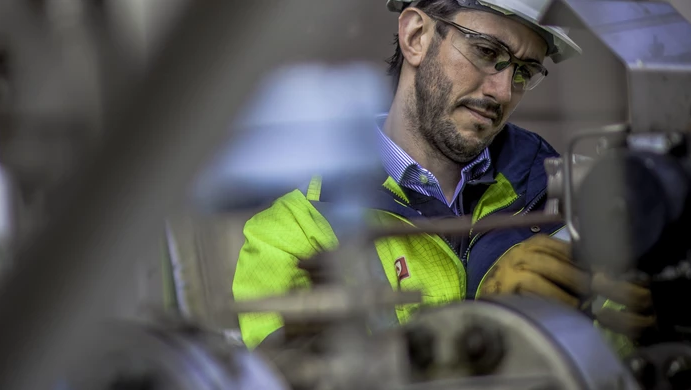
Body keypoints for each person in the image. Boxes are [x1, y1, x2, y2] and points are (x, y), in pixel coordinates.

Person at [231, 0, 653, 351]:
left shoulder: (555, 196)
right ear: (416, 36)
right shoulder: (294, 232)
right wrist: (484, 329)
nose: (503, 92)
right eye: (488, 52)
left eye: (523, 71)